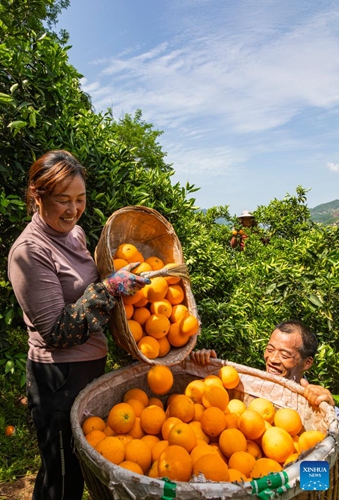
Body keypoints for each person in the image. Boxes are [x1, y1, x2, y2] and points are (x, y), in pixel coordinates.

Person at [7, 150, 151, 500]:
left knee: (79, 464)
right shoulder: (29, 252)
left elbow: (91, 291)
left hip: (89, 366)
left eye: (80, 199)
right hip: (58, 376)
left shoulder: (75, 234)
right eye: (62, 200)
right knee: (61, 474)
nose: (73, 210)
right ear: (37, 196)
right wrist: (111, 288)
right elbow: (56, 331)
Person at [191, 320, 335, 407]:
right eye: (270, 349)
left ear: (307, 363)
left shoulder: (310, 400)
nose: (272, 359)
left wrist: (328, 405)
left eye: (284, 355)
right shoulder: (250, 386)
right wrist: (204, 362)